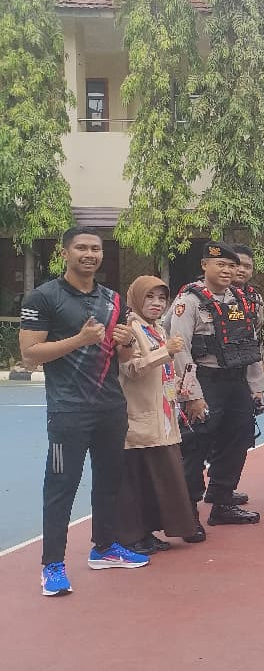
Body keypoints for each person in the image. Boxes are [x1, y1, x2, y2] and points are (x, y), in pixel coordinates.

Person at [19, 227, 149, 595]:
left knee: (110, 483)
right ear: (65, 253)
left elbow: (123, 355)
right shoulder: (44, 297)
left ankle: (105, 548)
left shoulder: (113, 299)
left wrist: (125, 343)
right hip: (68, 412)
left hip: (110, 408)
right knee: (61, 487)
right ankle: (52, 565)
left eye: (96, 248)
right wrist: (79, 339)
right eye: (81, 248)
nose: (90, 254)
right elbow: (30, 354)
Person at [167, 241, 264, 533]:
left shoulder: (242, 301)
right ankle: (188, 514)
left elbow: (251, 345)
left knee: (237, 441)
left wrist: (256, 387)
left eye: (232, 266)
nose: (227, 270)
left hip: (237, 383)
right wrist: (192, 395)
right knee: (196, 446)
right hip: (205, 381)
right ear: (204, 266)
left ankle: (222, 501)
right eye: (220, 264)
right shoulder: (190, 301)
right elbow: (180, 349)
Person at [117, 276, 199, 555]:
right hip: (139, 419)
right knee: (138, 481)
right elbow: (130, 368)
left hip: (163, 416)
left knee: (160, 481)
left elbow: (161, 369)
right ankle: (132, 536)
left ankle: (149, 532)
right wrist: (166, 352)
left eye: (161, 298)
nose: (156, 303)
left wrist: (176, 383)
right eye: (149, 297)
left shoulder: (157, 330)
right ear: (136, 299)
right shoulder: (129, 329)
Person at [227, 243, 264, 505]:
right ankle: (189, 497)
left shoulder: (255, 300)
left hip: (240, 378)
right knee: (199, 441)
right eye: (235, 264)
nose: (241, 270)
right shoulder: (197, 296)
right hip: (208, 375)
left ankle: (223, 492)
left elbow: (255, 342)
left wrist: (257, 385)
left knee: (239, 436)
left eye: (247, 266)